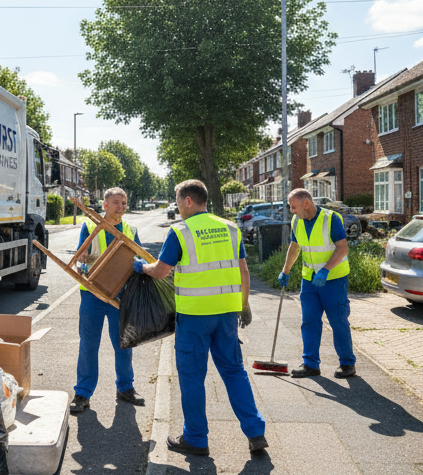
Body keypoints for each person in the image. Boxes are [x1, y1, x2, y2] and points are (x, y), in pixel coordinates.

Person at [135, 179, 268, 457]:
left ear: (188, 201)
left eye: (177, 200)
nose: (178, 208)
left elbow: (161, 271)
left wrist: (141, 267)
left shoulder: (181, 231)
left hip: (195, 317)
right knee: (234, 372)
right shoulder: (230, 228)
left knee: (192, 377)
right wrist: (244, 304)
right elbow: (244, 271)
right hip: (227, 315)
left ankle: (196, 438)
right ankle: (255, 432)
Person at [71, 187, 145, 415]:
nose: (120, 207)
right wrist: (83, 264)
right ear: (105, 205)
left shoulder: (131, 230)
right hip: (93, 294)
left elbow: (140, 256)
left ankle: (125, 388)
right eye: (116, 202)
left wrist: (139, 265)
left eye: (123, 203)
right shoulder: (91, 226)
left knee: (123, 344)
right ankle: (83, 393)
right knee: (88, 345)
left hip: (120, 296)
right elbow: (79, 258)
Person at [279, 189, 356, 379]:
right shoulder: (297, 221)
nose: (292, 210)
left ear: (306, 204)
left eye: (294, 206)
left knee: (338, 321)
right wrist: (285, 270)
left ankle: (347, 364)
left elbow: (342, 248)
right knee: (309, 322)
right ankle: (310, 364)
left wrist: (326, 269)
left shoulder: (331, 219)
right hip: (310, 281)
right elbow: (295, 246)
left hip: (334, 279)